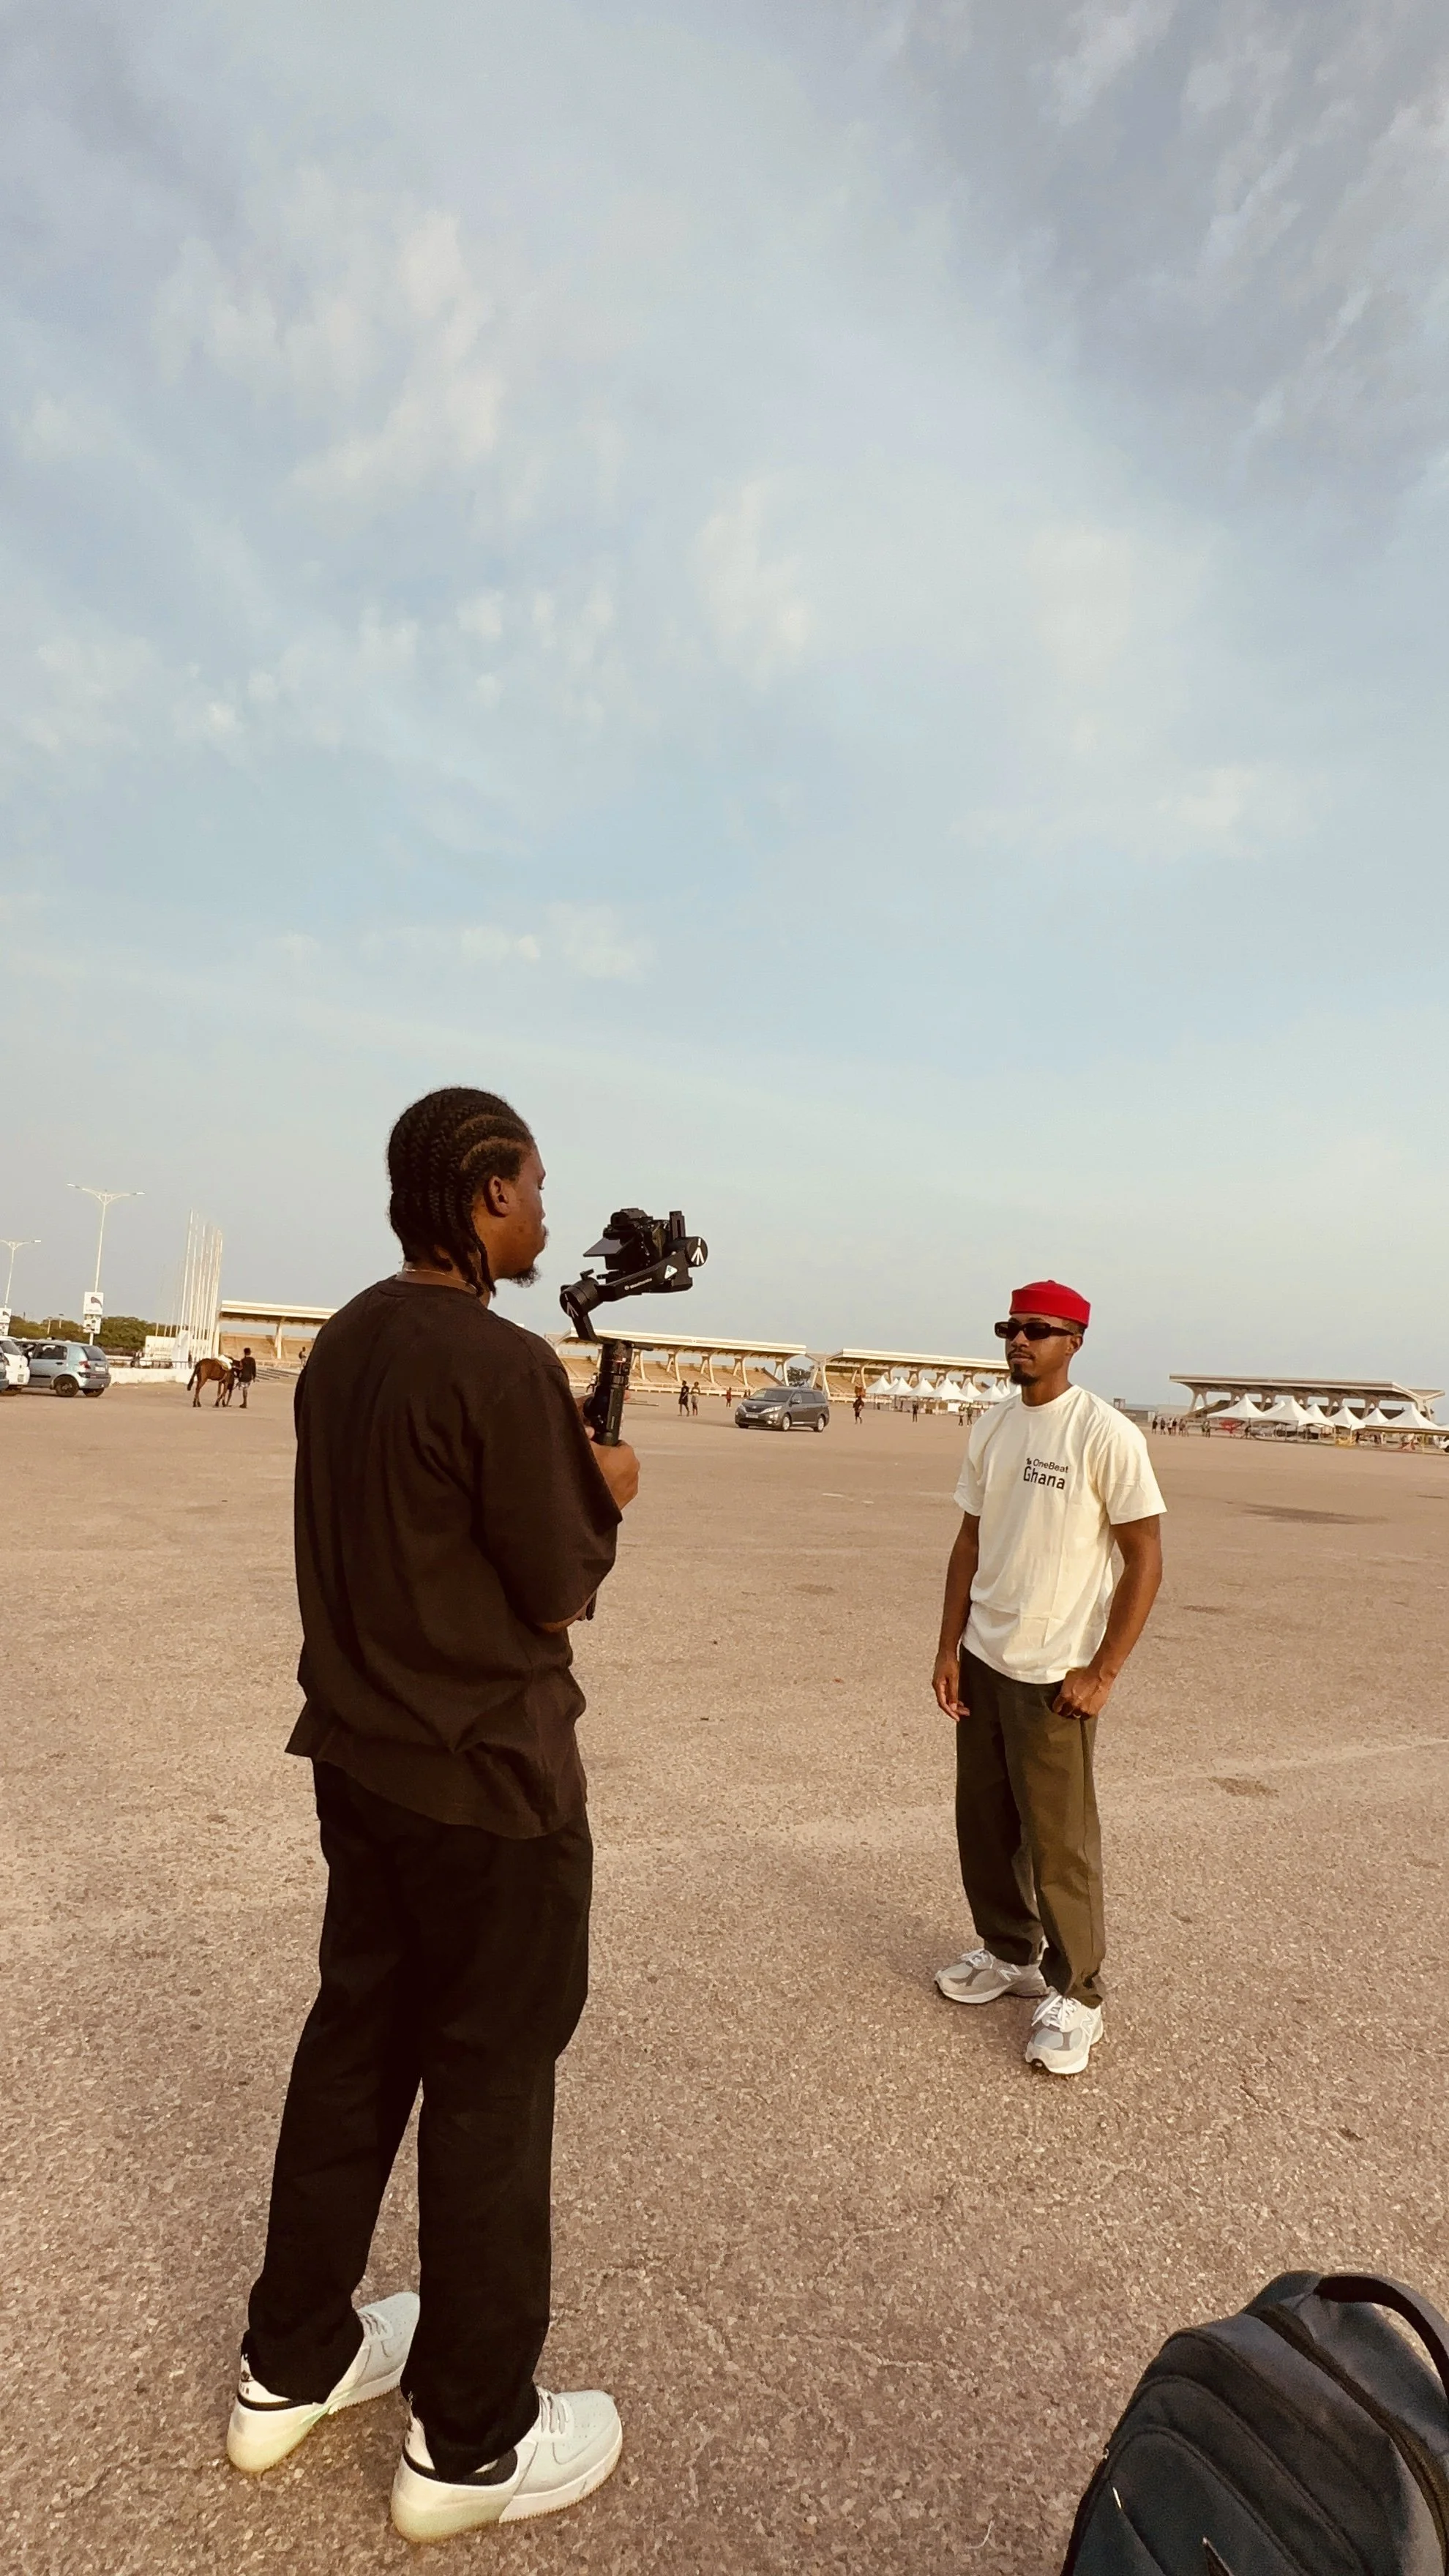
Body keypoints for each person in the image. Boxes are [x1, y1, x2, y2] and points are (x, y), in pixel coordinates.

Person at [228, 1087, 638, 2542]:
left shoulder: (343, 1342)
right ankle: (471, 2442)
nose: (544, 1213)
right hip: (490, 1791)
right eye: (533, 1187)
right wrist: (608, 1485)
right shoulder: (502, 1361)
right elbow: (556, 1583)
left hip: (363, 1773)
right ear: (484, 1194)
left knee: (355, 2049)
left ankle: (291, 2361)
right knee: (489, 2091)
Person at [930, 1281, 1163, 2079]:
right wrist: (948, 1646)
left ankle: (1079, 1994)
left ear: (1075, 1342)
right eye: (1011, 1327)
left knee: (1060, 1843)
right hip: (985, 1659)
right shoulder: (994, 1426)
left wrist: (1104, 1671)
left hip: (1055, 1672)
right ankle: (1008, 1952)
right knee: (985, 1825)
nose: (1020, 1341)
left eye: (1039, 1329)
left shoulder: (1105, 1433)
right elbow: (969, 1541)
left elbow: (1145, 1557)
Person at [235, 1345, 258, 1409]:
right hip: (249, 1377)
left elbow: (240, 1369)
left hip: (243, 1377)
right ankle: (245, 1402)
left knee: (244, 1389)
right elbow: (254, 1369)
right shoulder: (252, 1360)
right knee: (246, 1389)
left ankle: (245, 1403)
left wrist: (237, 1375)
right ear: (250, 1353)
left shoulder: (242, 1360)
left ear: (244, 1353)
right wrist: (254, 1377)